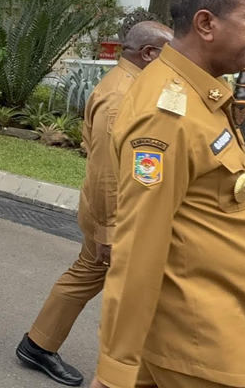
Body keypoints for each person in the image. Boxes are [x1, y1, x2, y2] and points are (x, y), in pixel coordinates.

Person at [88, 0, 245, 388]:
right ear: (206, 24)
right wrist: (115, 371)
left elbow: (214, 213)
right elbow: (139, 249)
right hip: (203, 343)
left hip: (226, 317)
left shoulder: (200, 94)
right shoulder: (166, 113)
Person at [17, 21, 173, 386]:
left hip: (126, 211)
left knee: (87, 275)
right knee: (117, 281)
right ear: (148, 54)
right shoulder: (121, 97)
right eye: (170, 53)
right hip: (115, 213)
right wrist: (109, 229)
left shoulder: (138, 85)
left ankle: (38, 344)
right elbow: (106, 171)